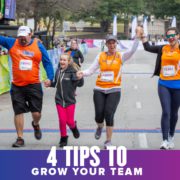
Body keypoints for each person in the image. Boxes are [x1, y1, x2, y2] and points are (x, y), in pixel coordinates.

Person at [76, 27, 142, 149]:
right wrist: (82, 73)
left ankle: (108, 141)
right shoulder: (100, 56)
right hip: (99, 89)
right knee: (99, 116)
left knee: (109, 114)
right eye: (109, 43)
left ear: (116, 44)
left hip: (114, 89)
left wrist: (137, 37)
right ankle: (100, 126)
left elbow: (133, 50)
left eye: (113, 42)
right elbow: (91, 70)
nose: (111, 45)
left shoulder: (121, 56)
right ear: (106, 44)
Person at [0, 26, 54, 147]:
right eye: (20, 37)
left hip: (34, 85)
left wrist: (50, 78)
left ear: (30, 34)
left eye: (24, 37)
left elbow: (47, 62)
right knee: (18, 111)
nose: (22, 39)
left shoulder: (38, 46)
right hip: (17, 85)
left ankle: (35, 124)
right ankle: (20, 138)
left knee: (36, 113)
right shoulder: (11, 42)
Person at [141, 27, 180, 149]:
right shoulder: (163, 48)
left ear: (178, 36)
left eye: (173, 35)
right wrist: (143, 38)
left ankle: (171, 136)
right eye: (168, 36)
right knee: (166, 112)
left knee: (174, 113)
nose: (170, 38)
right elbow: (147, 47)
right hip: (164, 84)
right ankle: (164, 140)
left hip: (178, 85)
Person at [44, 53, 84, 147]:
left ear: (69, 61)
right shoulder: (58, 71)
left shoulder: (72, 71)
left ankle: (74, 127)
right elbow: (57, 83)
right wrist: (49, 84)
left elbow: (80, 84)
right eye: (61, 59)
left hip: (70, 101)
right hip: (59, 100)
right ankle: (63, 138)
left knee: (69, 121)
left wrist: (79, 78)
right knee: (62, 120)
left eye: (64, 60)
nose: (62, 61)